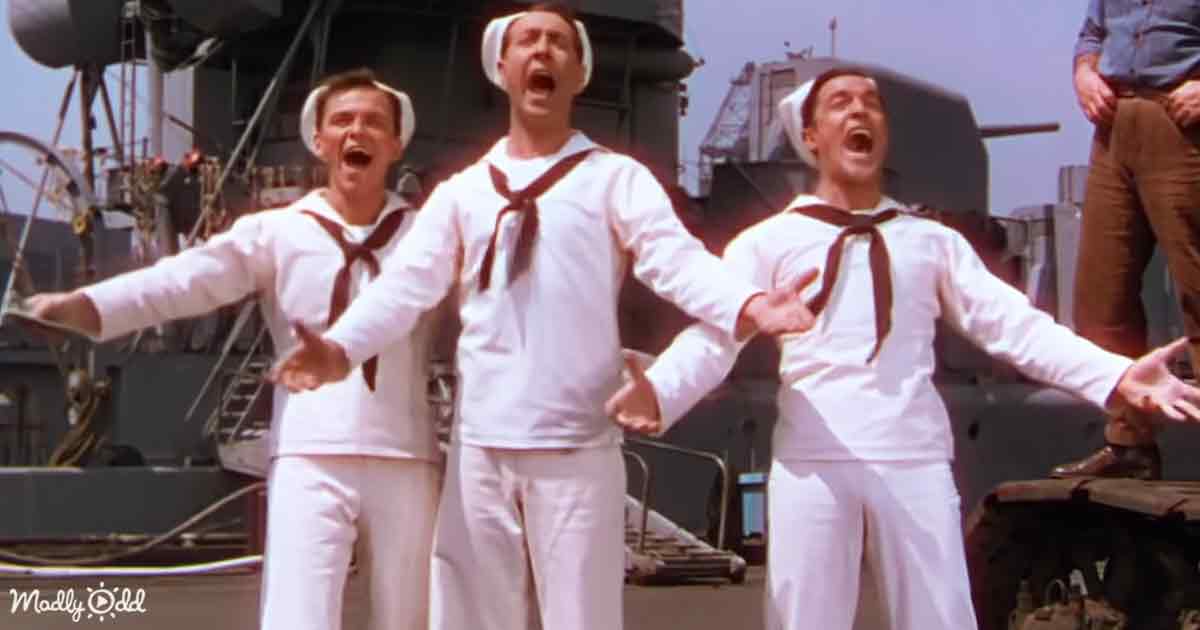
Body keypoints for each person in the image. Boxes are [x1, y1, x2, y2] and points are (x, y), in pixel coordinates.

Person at [269, 4, 816, 629]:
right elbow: (403, 288)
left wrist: (748, 303)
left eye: (558, 42)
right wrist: (341, 347)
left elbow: (676, 260)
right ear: (502, 68)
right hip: (481, 449)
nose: (542, 51)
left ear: (578, 72)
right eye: (527, 40)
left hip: (577, 447)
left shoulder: (615, 179)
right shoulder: (463, 193)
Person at [604, 67, 1200, 630]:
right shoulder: (768, 242)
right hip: (813, 460)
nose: (860, 111)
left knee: (940, 616)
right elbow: (718, 334)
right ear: (810, 137)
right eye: (840, 103)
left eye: (872, 103)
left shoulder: (931, 242)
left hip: (912, 456)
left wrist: (1117, 375)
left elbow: (1014, 325)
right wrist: (662, 390)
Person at [22, 68, 441, 630]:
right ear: (319, 141)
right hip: (309, 452)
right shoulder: (279, 231)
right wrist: (88, 306)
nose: (356, 131)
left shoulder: (431, 235)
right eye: (342, 120)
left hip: (406, 454)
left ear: (396, 143)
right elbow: (188, 279)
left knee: (412, 617)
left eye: (373, 122)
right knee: (297, 615)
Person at [1052, 0, 1200, 480]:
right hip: (1114, 129)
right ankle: (1129, 442)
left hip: (1183, 125)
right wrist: (1083, 73)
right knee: (1100, 296)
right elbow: (1092, 33)